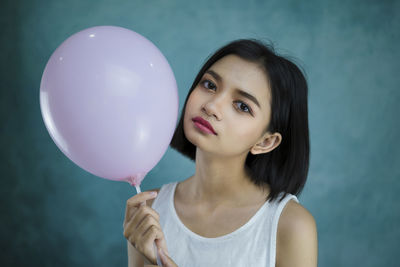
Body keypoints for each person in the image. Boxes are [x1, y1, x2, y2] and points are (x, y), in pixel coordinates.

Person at [123, 39, 318, 267]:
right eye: (210, 85)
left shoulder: (291, 225)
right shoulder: (150, 209)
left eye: (242, 106)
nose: (211, 106)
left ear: (266, 142)